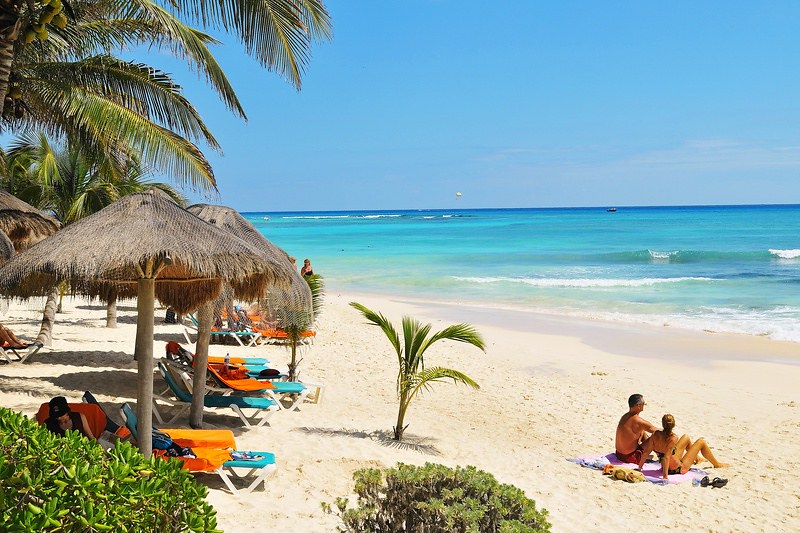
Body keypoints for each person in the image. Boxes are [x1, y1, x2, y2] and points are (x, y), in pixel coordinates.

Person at [638, 414, 729, 479]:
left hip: (666, 465)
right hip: (677, 469)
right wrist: (665, 477)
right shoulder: (673, 438)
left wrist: (639, 468)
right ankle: (717, 464)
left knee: (686, 437)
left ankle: (698, 459)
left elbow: (646, 452)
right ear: (673, 425)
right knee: (701, 442)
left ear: (663, 424)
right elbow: (666, 457)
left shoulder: (655, 434)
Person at [615, 393, 658, 464]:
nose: (644, 405)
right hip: (630, 457)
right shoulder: (639, 421)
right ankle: (660, 455)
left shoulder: (624, 416)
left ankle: (657, 453)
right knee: (656, 436)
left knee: (642, 431)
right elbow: (656, 430)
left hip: (619, 454)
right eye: (643, 403)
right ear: (638, 406)